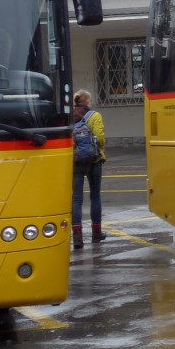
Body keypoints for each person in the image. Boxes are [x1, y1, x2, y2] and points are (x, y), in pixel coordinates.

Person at [71, 89, 107, 249]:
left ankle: (77, 237)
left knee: (77, 199)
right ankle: (96, 233)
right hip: (94, 161)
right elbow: (100, 138)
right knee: (95, 196)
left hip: (76, 162)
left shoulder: (68, 117)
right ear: (87, 102)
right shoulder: (94, 116)